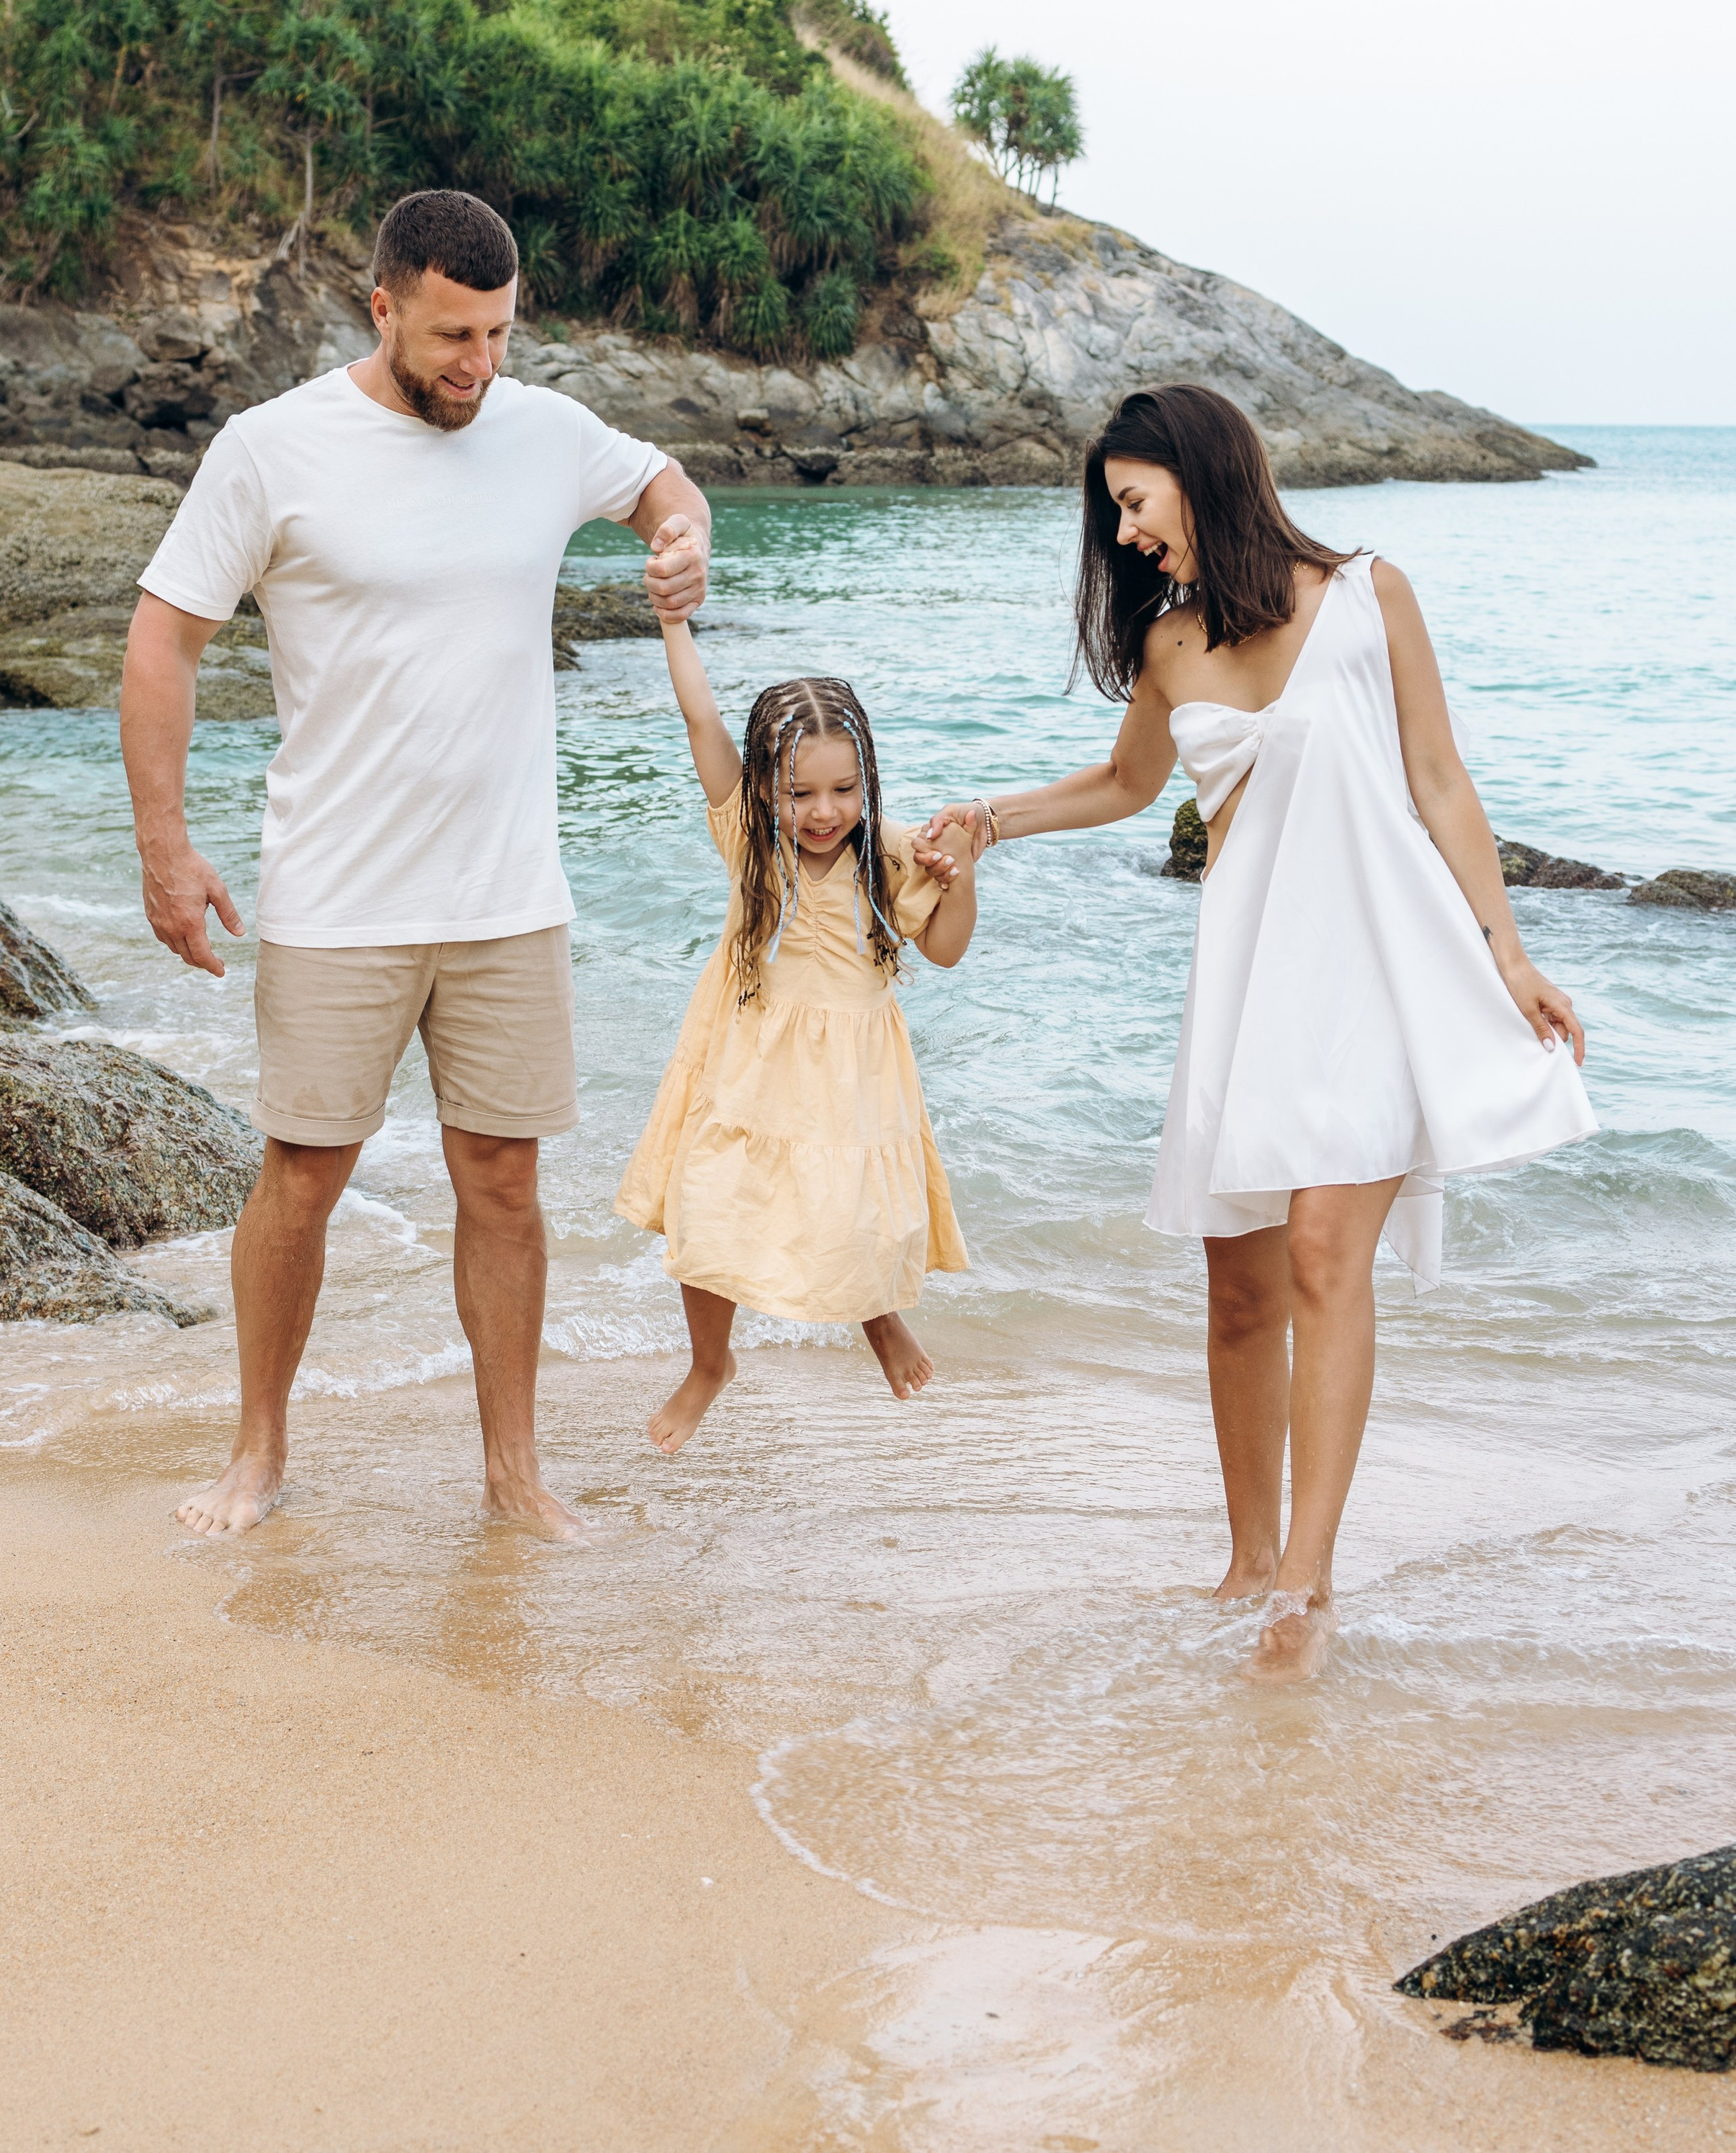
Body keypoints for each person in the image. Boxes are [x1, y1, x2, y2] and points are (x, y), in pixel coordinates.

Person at [922, 382, 1594, 1678]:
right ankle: (1244, 1559)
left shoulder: (1370, 594)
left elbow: (1443, 783)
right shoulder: (1172, 643)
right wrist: (990, 817)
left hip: (1384, 976)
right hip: (1252, 985)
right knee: (1241, 1287)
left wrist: (1510, 954)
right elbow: (1128, 783)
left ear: (1200, 472)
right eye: (1113, 510)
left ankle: (1305, 1586)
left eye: (1133, 501)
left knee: (1330, 1256)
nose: (1123, 532)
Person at [120, 187, 710, 1545]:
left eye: (499, 334)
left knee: (504, 1181)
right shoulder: (272, 450)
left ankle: (513, 1471)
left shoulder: (544, 432)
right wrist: (168, 849)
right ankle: (257, 1449)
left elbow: (661, 486)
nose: (478, 365)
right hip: (338, 891)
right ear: (380, 304)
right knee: (304, 1175)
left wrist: (685, 540)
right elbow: (164, 642)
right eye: (452, 335)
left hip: (510, 894)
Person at [614, 596, 979, 1456]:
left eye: (844, 789)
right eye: (800, 792)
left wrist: (961, 875)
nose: (823, 811)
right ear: (765, 785)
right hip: (746, 1055)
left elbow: (947, 951)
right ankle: (711, 1362)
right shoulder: (750, 841)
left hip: (852, 1067)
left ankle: (879, 1320)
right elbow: (700, 716)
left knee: (852, 1209)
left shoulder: (889, 851)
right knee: (709, 1212)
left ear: (869, 782)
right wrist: (672, 623)